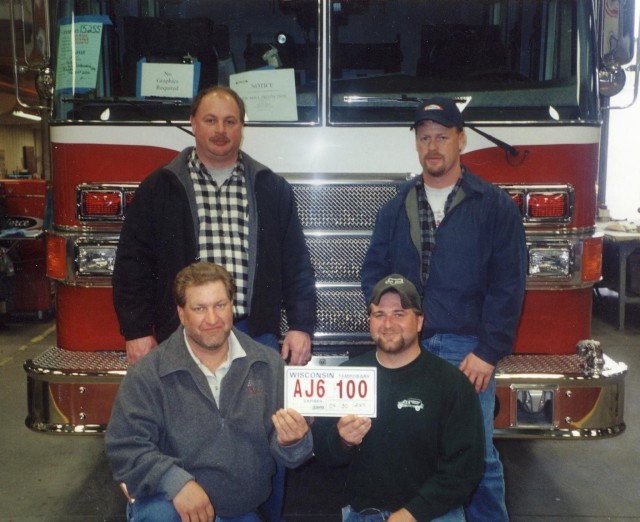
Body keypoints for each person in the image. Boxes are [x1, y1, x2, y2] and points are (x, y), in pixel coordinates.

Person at [361, 98, 527, 521]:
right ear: (416, 144)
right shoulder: (395, 207)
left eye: (441, 136)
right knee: (411, 450)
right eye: (424, 138)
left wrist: (488, 352)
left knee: (478, 456)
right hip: (408, 353)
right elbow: (373, 275)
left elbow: (509, 286)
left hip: (465, 354)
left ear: (461, 140)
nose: (432, 146)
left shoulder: (493, 206)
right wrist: (393, 329)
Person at [112, 85, 316, 367]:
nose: (220, 129)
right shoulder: (159, 188)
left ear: (241, 128)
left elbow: (297, 264)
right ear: (193, 124)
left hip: (255, 335)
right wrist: (136, 331)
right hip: (183, 337)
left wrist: (301, 326)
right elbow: (132, 265)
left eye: (230, 121)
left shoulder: (271, 189)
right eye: (210, 120)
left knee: (259, 412)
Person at [105, 262, 314, 522]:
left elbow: (291, 455)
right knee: (160, 515)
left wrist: (292, 442)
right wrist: (176, 483)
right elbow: (125, 446)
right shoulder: (149, 373)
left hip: (240, 511)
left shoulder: (268, 364)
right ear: (181, 314)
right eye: (199, 309)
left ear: (232, 305)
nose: (213, 319)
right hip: (171, 504)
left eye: (220, 305)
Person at [312, 274, 485, 522]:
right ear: (370, 321)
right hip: (363, 514)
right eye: (379, 314)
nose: (388, 323)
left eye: (400, 314)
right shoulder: (345, 377)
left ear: (419, 322)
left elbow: (465, 469)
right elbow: (323, 455)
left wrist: (412, 513)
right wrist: (342, 441)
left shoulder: (451, 384)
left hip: (433, 514)